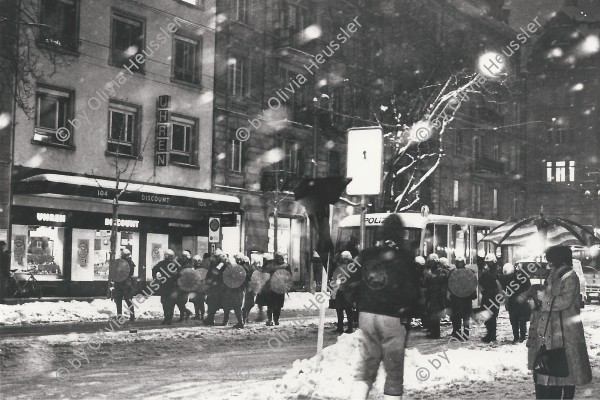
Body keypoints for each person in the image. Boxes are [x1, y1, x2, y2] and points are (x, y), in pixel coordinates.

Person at [347, 214, 421, 400]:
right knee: (394, 371)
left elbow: (349, 282)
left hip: (366, 314)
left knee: (366, 366)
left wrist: (359, 302)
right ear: (401, 233)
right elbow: (413, 290)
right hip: (393, 316)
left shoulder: (367, 254)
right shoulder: (405, 257)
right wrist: (411, 311)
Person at [527, 245, 592, 399]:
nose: (548, 263)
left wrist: (544, 300)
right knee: (554, 368)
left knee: (567, 368)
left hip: (566, 332)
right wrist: (536, 298)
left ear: (558, 260)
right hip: (552, 330)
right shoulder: (553, 275)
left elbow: (565, 301)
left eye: (550, 260)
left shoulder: (571, 277)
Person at [500, 262, 531, 343]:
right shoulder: (505, 278)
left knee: (522, 319)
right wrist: (506, 300)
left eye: (509, 275)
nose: (508, 277)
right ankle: (516, 337)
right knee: (513, 320)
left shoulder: (521, 276)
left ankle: (522, 336)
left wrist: (523, 296)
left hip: (521, 301)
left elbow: (528, 287)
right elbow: (504, 289)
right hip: (512, 300)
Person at [448, 256, 475, 341]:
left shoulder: (469, 272)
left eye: (461, 262)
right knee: (457, 317)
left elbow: (473, 284)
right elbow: (449, 284)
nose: (459, 264)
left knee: (465, 317)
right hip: (457, 299)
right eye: (458, 262)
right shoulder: (452, 272)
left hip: (465, 298)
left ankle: (465, 334)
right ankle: (457, 333)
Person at [152, 249, 179, 325]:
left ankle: (166, 318)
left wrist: (155, 278)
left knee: (165, 302)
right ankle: (169, 318)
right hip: (172, 286)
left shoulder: (161, 263)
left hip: (164, 285)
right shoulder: (174, 264)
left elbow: (154, 269)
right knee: (171, 303)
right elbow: (178, 274)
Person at [264, 252, 292, 326]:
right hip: (279, 287)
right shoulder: (286, 266)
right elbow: (289, 276)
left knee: (271, 305)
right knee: (277, 305)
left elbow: (265, 274)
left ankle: (271, 320)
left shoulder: (270, 265)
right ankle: (275, 320)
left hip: (272, 287)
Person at [479, 253, 501, 343]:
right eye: (487, 262)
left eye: (490, 262)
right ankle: (489, 334)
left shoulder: (497, 272)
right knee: (486, 316)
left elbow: (497, 283)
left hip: (494, 297)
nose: (488, 264)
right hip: (487, 296)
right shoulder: (486, 272)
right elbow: (481, 282)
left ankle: (492, 335)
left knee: (492, 316)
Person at [423, 259, 448, 339]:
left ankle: (435, 333)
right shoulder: (441, 273)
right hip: (438, 296)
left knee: (434, 315)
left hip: (435, 296)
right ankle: (435, 332)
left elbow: (426, 285)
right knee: (435, 315)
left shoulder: (432, 274)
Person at [331, 251, 354, 334]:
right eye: (344, 259)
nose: (345, 261)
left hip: (347, 291)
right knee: (340, 310)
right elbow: (335, 277)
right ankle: (341, 327)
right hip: (342, 290)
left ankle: (349, 327)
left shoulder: (351, 268)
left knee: (347, 310)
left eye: (346, 259)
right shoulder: (341, 268)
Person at [221, 252, 246, 328]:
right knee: (229, 305)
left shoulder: (243, 267)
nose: (237, 260)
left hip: (237, 289)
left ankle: (240, 322)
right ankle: (228, 320)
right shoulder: (237, 267)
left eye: (237, 259)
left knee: (237, 306)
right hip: (232, 288)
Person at [204, 249, 227, 326]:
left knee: (225, 303)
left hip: (222, 286)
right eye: (215, 256)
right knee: (211, 303)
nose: (216, 257)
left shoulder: (223, 263)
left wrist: (218, 281)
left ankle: (225, 320)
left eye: (217, 256)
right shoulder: (213, 263)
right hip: (213, 286)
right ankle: (210, 318)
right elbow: (210, 272)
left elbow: (220, 272)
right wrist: (207, 279)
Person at [114, 248, 136, 321]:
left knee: (123, 300)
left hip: (124, 283)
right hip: (124, 283)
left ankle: (123, 315)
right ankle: (130, 315)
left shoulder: (128, 263)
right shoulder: (128, 262)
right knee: (126, 300)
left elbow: (129, 273)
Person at [190, 253, 209, 320]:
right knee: (195, 301)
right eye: (195, 261)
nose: (197, 262)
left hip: (202, 287)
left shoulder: (203, 268)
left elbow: (205, 276)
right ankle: (197, 314)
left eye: (198, 261)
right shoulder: (193, 269)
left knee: (201, 302)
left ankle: (202, 315)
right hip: (195, 287)